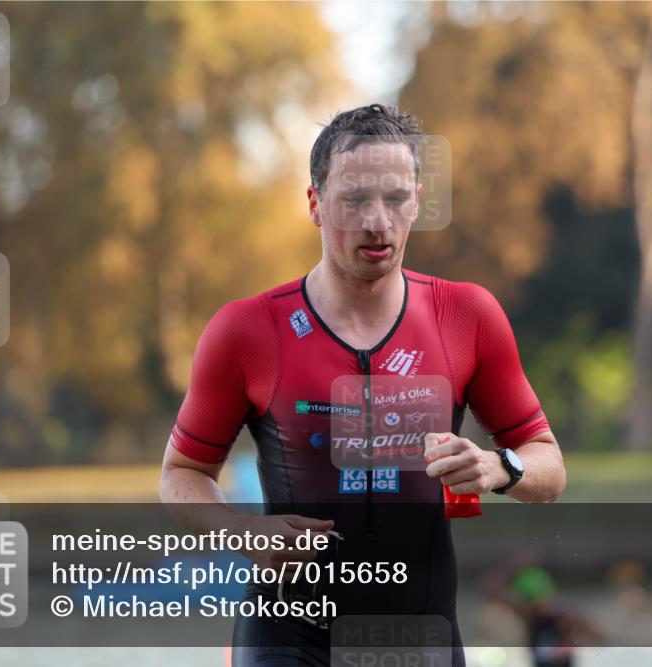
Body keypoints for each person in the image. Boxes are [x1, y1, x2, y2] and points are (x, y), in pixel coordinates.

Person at [158, 103, 567, 666]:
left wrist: (501, 468)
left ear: (418, 201)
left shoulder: (466, 315)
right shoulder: (248, 330)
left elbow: (548, 466)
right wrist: (241, 531)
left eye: (396, 199)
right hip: (288, 639)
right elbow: (180, 475)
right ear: (315, 205)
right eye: (354, 201)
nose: (378, 221)